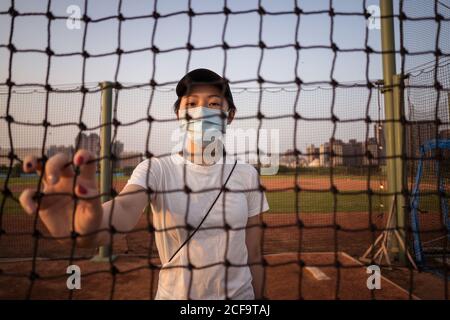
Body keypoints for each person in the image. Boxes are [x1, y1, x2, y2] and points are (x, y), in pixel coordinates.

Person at [19, 68, 270, 300]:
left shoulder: (247, 175)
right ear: (179, 115)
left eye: (214, 104)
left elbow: (254, 254)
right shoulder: (156, 170)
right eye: (191, 104)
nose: (201, 111)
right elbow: (124, 210)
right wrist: (87, 227)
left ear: (230, 116)